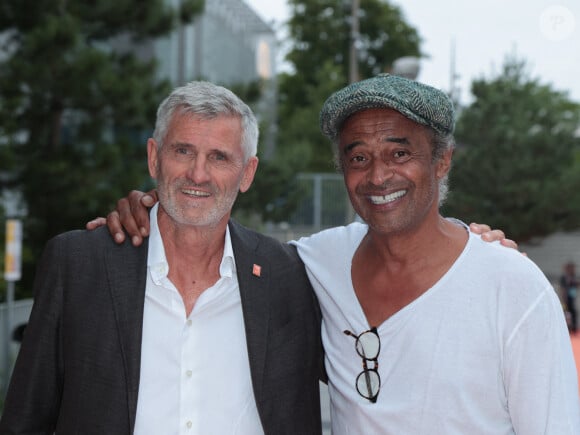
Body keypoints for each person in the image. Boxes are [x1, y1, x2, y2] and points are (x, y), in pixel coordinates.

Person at [100, 74, 580, 433]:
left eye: (399, 153)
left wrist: (491, 255)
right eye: (358, 157)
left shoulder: (513, 287)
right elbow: (212, 245)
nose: (377, 176)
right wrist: (147, 210)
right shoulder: (312, 264)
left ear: (442, 160)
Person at [0, 82, 324, 434]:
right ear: (154, 157)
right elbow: (25, 419)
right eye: (183, 151)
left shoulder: (289, 276)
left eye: (219, 157)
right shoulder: (78, 265)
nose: (198, 174)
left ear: (247, 173)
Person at [561, 261, 579, 333]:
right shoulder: (564, 277)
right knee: (567, 314)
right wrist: (563, 299)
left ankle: (573, 328)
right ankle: (567, 329)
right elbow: (563, 289)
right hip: (566, 299)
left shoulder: (573, 276)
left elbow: (576, 285)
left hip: (572, 299)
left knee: (574, 313)